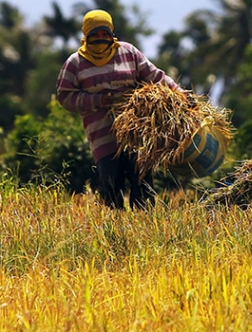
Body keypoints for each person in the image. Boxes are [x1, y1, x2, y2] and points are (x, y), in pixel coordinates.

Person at [56, 9, 184, 210]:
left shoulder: (128, 52)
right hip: (102, 136)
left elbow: (155, 77)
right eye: (95, 34)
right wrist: (101, 100)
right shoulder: (75, 63)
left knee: (142, 184)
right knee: (110, 186)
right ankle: (115, 232)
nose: (101, 38)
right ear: (86, 36)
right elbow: (65, 97)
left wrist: (180, 93)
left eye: (104, 33)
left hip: (136, 133)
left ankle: (145, 229)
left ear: (111, 33)